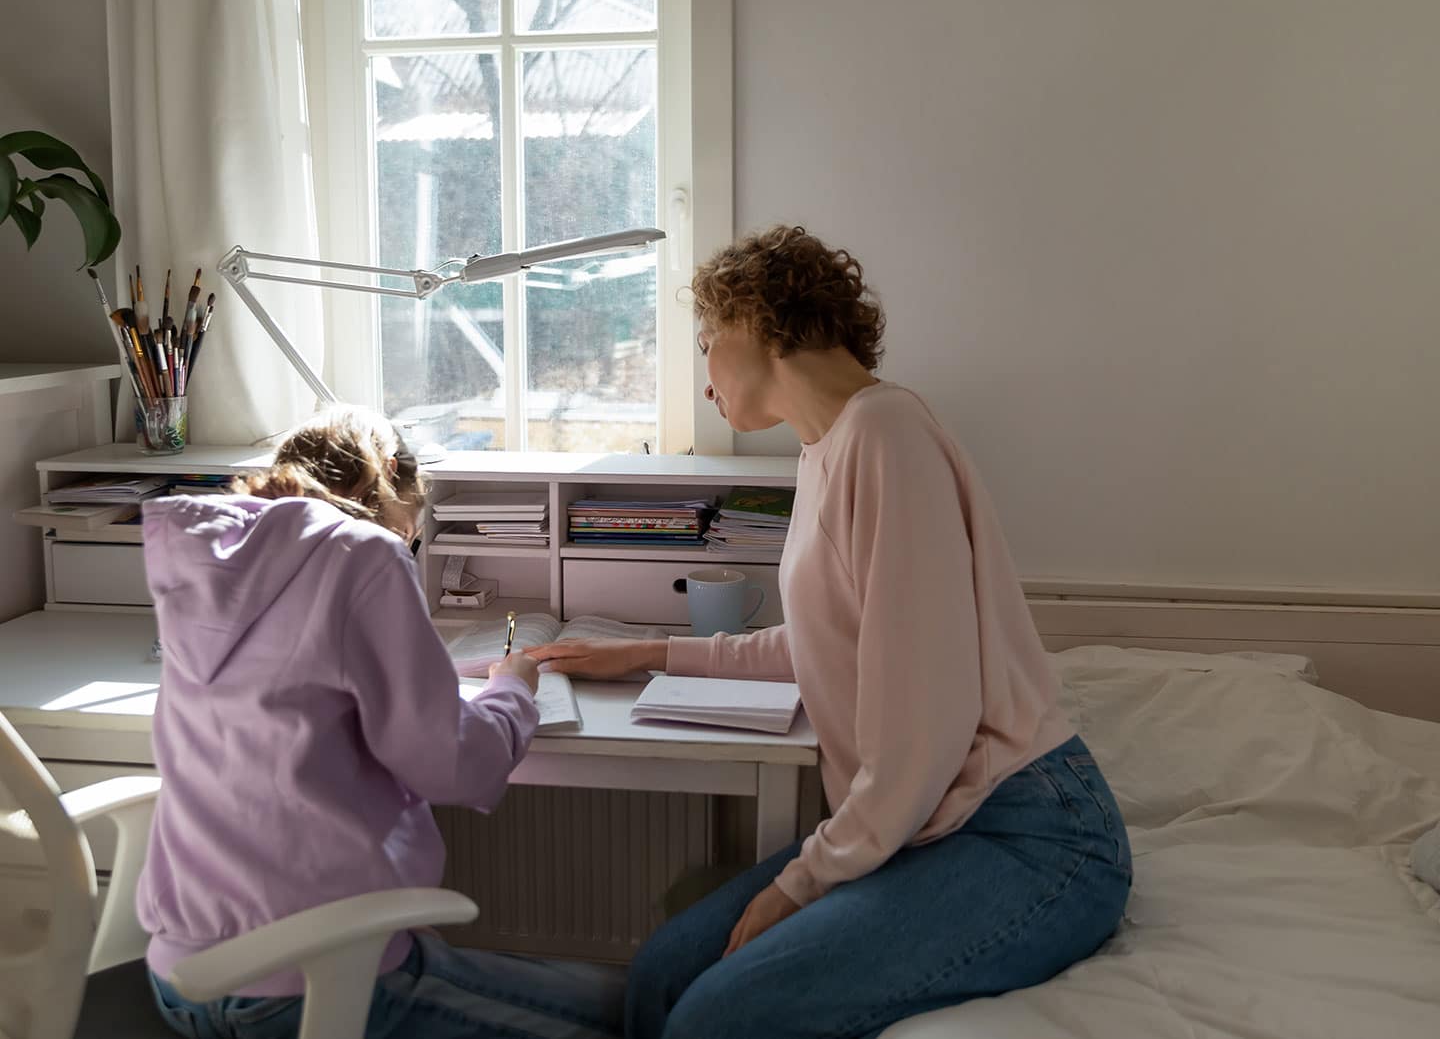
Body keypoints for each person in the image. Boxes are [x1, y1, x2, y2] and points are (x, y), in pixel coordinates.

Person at [530, 226, 1132, 1039]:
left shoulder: (887, 434)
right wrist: (644, 654)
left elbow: (926, 726)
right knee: (663, 976)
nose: (704, 378)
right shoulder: (824, 451)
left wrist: (804, 882)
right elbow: (820, 645)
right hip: (927, 819)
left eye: (709, 343)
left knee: (715, 1018)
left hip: (1024, 832)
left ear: (763, 325)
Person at [138, 407, 624, 1039]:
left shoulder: (214, 568)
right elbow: (452, 766)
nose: (409, 543)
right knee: (637, 1014)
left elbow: (302, 693)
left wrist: (438, 677)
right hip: (312, 980)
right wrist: (512, 691)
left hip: (183, 978)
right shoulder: (362, 551)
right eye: (414, 532)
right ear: (394, 477)